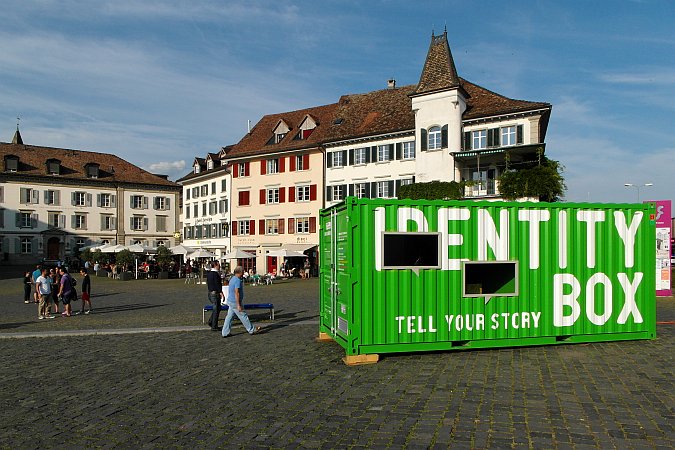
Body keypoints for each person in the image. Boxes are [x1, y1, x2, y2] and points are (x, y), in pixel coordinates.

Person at [222, 266, 261, 338]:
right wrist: (238, 304)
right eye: (243, 271)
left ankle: (225, 332)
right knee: (243, 316)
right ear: (240, 272)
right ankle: (251, 329)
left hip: (230, 300)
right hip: (234, 301)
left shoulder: (232, 278)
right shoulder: (237, 280)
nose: (243, 273)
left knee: (229, 317)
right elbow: (237, 293)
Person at [206, 261, 223, 331]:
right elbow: (217, 284)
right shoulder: (215, 274)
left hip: (210, 292)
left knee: (217, 308)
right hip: (215, 293)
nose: (219, 266)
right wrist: (220, 292)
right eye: (218, 265)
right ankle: (214, 326)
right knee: (216, 309)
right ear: (215, 265)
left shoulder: (209, 273)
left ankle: (211, 321)